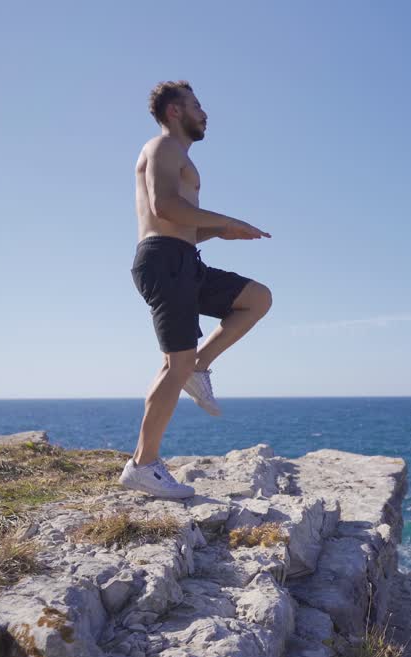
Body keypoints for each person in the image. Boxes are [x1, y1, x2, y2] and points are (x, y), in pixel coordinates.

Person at [119, 80, 273, 499]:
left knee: (257, 298)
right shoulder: (162, 147)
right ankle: (143, 464)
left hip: (183, 259)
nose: (205, 114)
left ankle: (199, 368)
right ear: (174, 111)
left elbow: (179, 225)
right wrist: (226, 221)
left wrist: (217, 234)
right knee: (174, 363)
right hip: (164, 261)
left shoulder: (179, 156)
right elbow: (163, 207)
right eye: (197, 105)